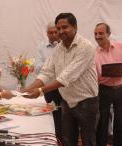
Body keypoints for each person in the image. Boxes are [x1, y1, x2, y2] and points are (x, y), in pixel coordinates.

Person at [23, 13, 99, 146]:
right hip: (67, 101)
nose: (61, 31)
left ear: (75, 27)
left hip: (86, 102)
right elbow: (46, 72)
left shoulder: (86, 46)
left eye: (65, 27)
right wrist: (27, 89)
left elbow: (66, 77)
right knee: (68, 140)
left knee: (88, 140)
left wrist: (40, 91)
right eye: (59, 28)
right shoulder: (58, 48)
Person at [34, 22, 63, 143]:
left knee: (65, 116)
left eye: (56, 32)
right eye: (51, 32)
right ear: (47, 34)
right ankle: (54, 139)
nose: (54, 35)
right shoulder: (41, 47)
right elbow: (37, 67)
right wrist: (52, 64)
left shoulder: (65, 46)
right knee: (52, 114)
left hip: (64, 87)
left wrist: (49, 65)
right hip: (49, 88)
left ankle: (63, 139)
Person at [94, 23, 122, 146]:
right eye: (95, 33)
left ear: (108, 34)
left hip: (121, 88)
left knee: (120, 120)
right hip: (103, 89)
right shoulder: (93, 53)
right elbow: (94, 76)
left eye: (101, 33)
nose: (97, 36)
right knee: (102, 121)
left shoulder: (120, 47)